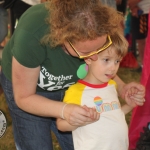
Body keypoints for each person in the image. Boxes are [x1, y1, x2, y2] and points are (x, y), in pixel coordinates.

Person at [0, 0, 145, 150]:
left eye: (99, 49)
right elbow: (24, 97)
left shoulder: (94, 27)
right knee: (35, 143)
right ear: (62, 37)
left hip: (71, 86)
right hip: (28, 88)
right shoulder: (32, 34)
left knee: (82, 140)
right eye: (86, 53)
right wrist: (64, 109)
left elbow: (97, 66)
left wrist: (122, 88)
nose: (93, 58)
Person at [56, 31, 138, 150]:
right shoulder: (76, 91)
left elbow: (111, 114)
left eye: (117, 61)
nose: (113, 67)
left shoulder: (111, 85)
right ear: (89, 57)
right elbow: (61, 125)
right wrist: (81, 119)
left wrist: (129, 106)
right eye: (106, 60)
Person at [128, 0, 150, 72]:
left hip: (146, 11)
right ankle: (144, 66)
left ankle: (146, 66)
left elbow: (129, 2)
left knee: (144, 42)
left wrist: (131, 3)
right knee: (140, 41)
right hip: (139, 12)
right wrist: (133, 6)